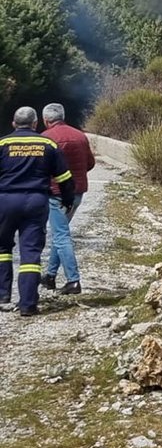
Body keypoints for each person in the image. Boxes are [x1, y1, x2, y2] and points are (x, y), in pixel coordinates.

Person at [0, 107, 74, 317]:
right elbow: (64, 179)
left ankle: (3, 295)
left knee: (2, 248)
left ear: (14, 124)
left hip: (5, 201)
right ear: (35, 124)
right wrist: (67, 201)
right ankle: (28, 305)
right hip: (36, 201)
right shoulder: (48, 145)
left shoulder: (2, 144)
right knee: (30, 252)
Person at [40, 102, 95, 295]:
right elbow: (90, 163)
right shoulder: (80, 136)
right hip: (78, 193)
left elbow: (40, 169)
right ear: (63, 116)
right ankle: (50, 276)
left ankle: (73, 281)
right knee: (60, 232)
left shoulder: (45, 138)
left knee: (61, 236)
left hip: (56, 194)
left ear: (46, 120)